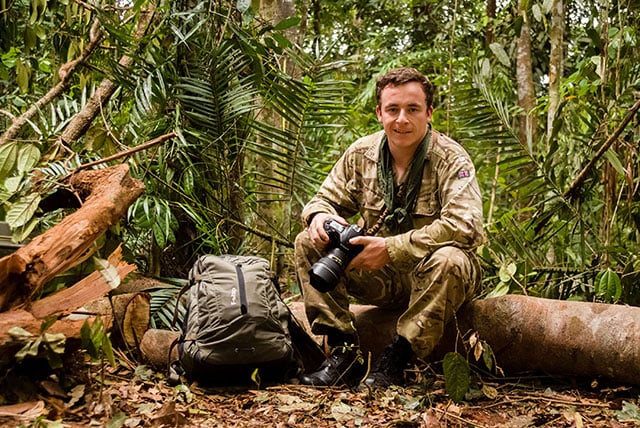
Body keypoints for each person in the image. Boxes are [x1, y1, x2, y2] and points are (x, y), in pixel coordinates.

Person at [294, 67, 484, 388]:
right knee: (307, 242)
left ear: (429, 113)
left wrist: (392, 249)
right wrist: (319, 218)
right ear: (379, 113)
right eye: (393, 110)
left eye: (413, 109)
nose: (402, 119)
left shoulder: (451, 159)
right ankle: (344, 353)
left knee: (451, 259)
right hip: (379, 278)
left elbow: (467, 227)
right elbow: (322, 200)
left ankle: (398, 357)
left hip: (435, 279)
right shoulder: (361, 154)